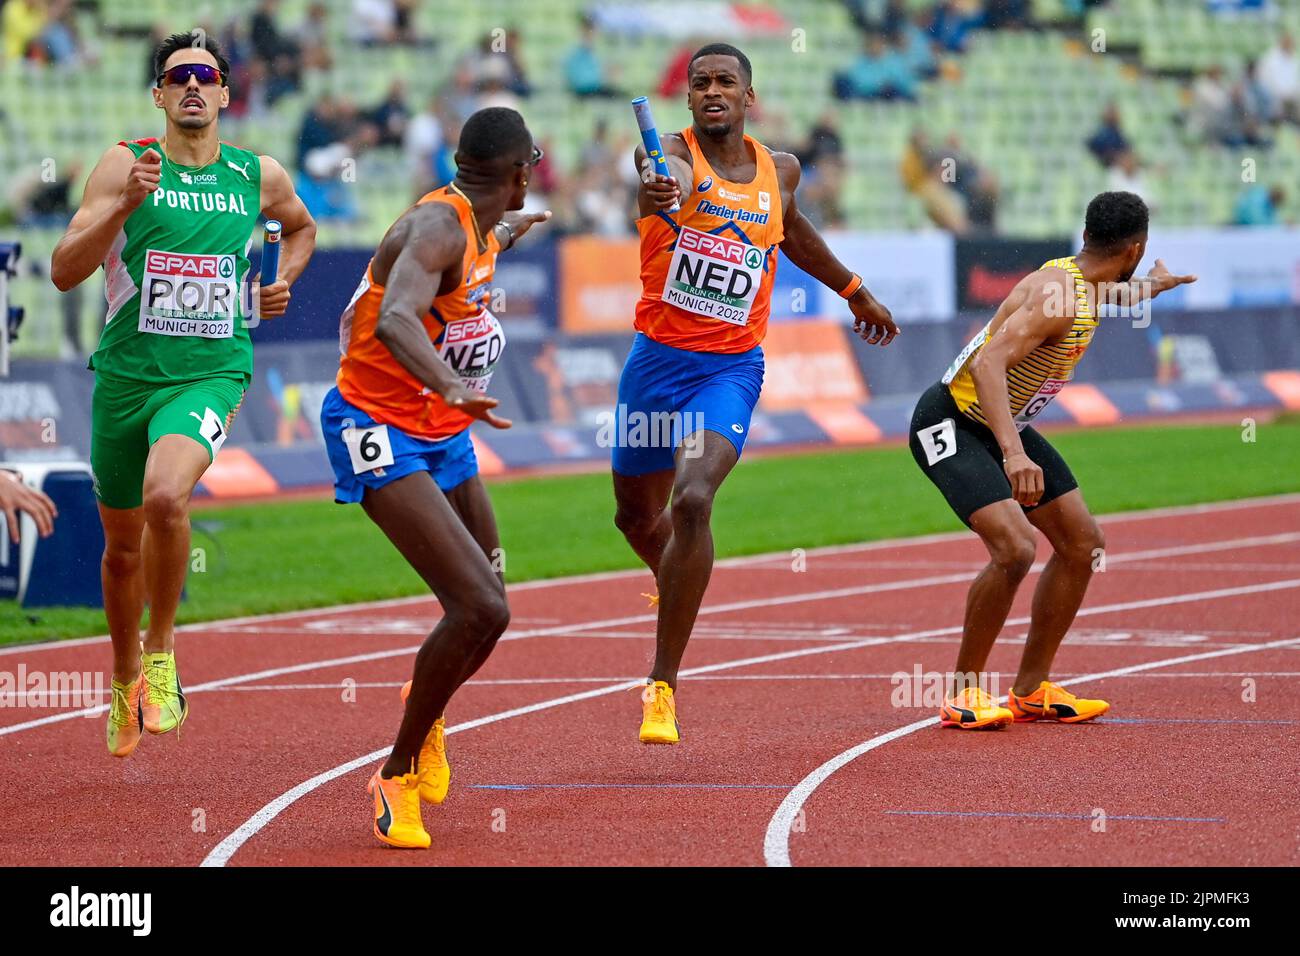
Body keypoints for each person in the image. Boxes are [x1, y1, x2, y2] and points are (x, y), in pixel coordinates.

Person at [614, 44, 897, 744]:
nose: (712, 91)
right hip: (655, 365)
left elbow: (793, 232)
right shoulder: (672, 158)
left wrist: (855, 291)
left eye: (725, 82)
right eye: (700, 83)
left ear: (748, 97)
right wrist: (657, 193)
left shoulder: (782, 170)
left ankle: (661, 684)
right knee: (634, 519)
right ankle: (682, 580)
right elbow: (664, 182)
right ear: (688, 100)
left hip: (728, 370)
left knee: (694, 498)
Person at [50, 31, 316, 758]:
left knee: (168, 497)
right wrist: (118, 209)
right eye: (179, 77)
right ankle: (123, 677)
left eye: (207, 75)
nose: (193, 85)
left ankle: (162, 654)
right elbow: (64, 270)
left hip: (210, 371)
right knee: (120, 552)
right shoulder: (125, 163)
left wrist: (280, 278)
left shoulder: (256, 174)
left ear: (227, 93)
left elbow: (301, 227)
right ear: (159, 96)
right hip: (126, 377)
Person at [318, 107, 549, 848]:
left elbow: (490, 240)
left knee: (492, 608)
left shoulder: (481, 224)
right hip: (377, 426)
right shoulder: (438, 228)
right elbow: (396, 322)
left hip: (441, 435)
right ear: (517, 173)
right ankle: (395, 771)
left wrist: (518, 228)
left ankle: (428, 700)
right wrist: (451, 385)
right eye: (531, 166)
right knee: (479, 606)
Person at [907, 191, 1195, 729]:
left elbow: (1107, 294)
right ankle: (963, 693)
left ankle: (1031, 689)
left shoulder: (1083, 281)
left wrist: (1152, 287)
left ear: (1087, 236)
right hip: (950, 421)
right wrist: (1014, 454)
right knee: (1015, 548)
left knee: (1083, 544)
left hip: (1000, 424)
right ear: (1135, 247)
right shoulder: (1056, 293)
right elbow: (990, 363)